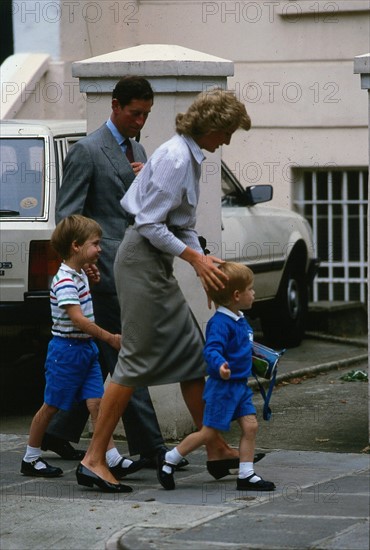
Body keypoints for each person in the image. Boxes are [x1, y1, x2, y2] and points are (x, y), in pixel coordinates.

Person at [76, 88, 253, 493]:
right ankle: (93, 458)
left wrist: (204, 260)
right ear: (209, 126)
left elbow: (180, 223)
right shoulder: (177, 157)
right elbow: (151, 225)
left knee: (192, 354)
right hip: (141, 263)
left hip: (152, 262)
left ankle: (217, 447)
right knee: (134, 361)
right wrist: (193, 260)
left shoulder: (188, 154)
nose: (225, 141)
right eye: (225, 132)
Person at [43, 76, 181, 472]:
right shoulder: (87, 151)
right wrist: (84, 266)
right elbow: (68, 217)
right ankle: (152, 446)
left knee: (101, 355)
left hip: (131, 269)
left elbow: (142, 209)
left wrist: (146, 182)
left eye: (146, 115)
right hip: (100, 274)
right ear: (115, 106)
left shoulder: (137, 149)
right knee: (125, 353)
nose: (140, 121)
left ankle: (56, 430)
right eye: (135, 113)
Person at [21, 215, 134, 492]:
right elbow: (78, 319)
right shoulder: (64, 280)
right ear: (76, 246)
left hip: (85, 350)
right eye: (95, 244)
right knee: (52, 405)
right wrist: (110, 338)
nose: (100, 249)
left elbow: (82, 305)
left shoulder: (79, 274)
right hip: (67, 352)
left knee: (98, 404)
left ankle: (111, 457)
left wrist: (90, 281)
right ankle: (31, 457)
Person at [157, 262, 276, 491]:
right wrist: (221, 364)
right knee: (208, 432)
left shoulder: (239, 318)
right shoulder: (220, 323)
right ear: (236, 295)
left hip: (240, 387)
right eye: (250, 289)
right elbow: (211, 350)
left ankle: (246, 474)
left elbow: (243, 347)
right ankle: (170, 459)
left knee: (250, 426)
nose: (254, 293)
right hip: (223, 388)